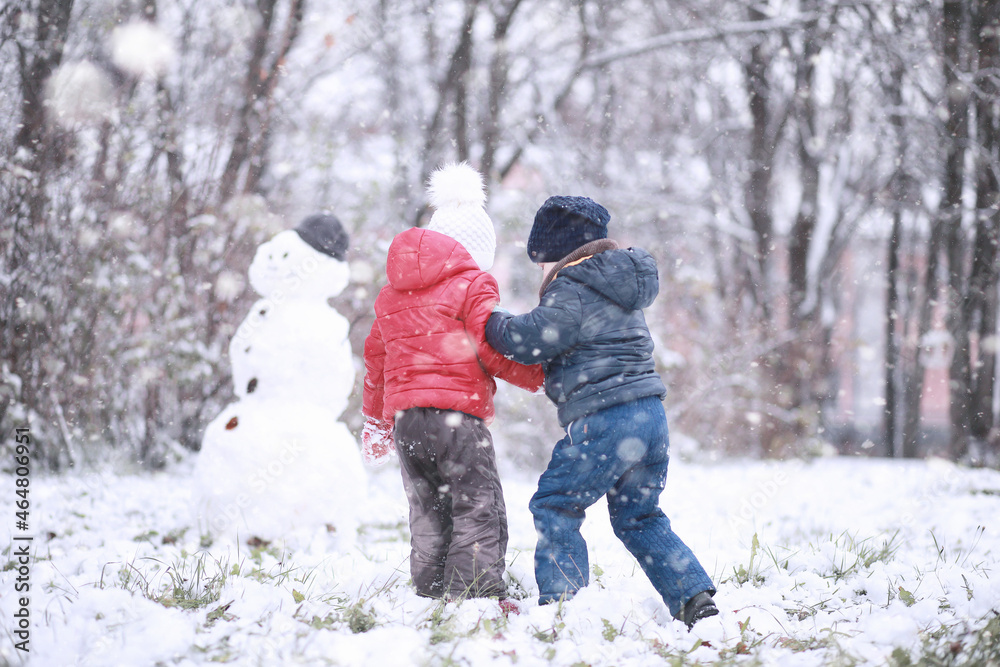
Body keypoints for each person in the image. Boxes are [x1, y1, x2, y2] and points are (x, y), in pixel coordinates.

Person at [485, 195, 718, 629]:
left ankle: (564, 605)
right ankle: (693, 597)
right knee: (639, 515)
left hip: (604, 421)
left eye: (540, 263)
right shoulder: (619, 283)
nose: (540, 273)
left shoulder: (570, 287)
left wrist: (491, 320)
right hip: (649, 418)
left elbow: (532, 338)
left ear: (556, 255)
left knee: (556, 504)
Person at [361, 163, 544, 602]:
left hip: (407, 421)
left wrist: (374, 422)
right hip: (457, 420)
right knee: (478, 506)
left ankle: (430, 590)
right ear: (475, 251)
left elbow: (376, 362)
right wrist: (539, 376)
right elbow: (490, 347)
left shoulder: (391, 293)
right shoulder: (473, 284)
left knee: (428, 511)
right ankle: (475, 594)